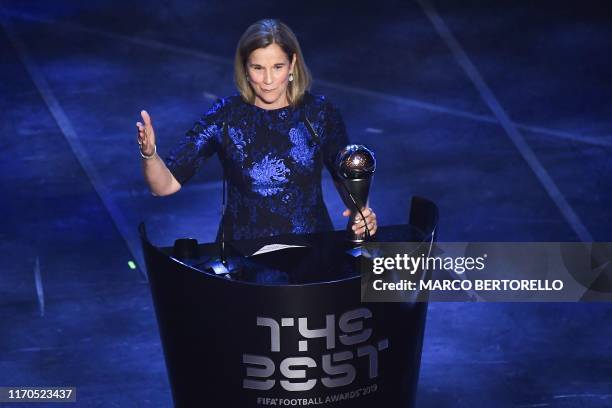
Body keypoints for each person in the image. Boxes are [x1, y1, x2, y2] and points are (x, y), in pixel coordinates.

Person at [135, 19, 377, 241]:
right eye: (258, 68)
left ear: (292, 64)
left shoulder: (320, 114)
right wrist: (149, 154)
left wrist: (361, 213)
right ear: (245, 69)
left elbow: (347, 181)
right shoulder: (225, 116)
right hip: (243, 258)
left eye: (278, 66)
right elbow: (164, 186)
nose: (269, 80)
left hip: (312, 253)